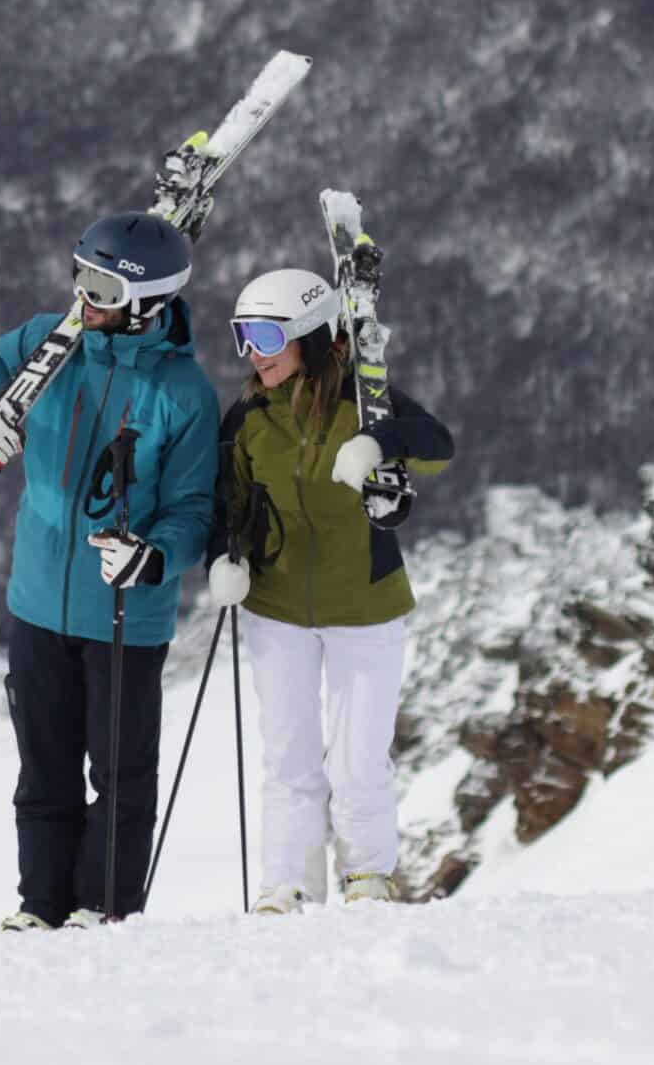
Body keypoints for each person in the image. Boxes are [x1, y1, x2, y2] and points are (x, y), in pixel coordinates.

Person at [0, 212, 218, 931]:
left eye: (102, 283)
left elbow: (194, 508)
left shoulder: (184, 394)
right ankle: (40, 905)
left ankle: (105, 907)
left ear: (146, 299)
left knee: (120, 778)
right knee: (42, 771)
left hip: (125, 615)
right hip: (36, 604)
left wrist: (153, 555)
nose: (83, 294)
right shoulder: (43, 345)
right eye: (79, 273)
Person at [206, 266, 453, 912]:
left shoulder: (363, 404)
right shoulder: (248, 418)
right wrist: (220, 559)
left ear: (309, 335)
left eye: (264, 334)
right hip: (276, 607)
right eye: (242, 335)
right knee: (288, 755)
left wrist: (378, 441)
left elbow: (437, 444)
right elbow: (223, 502)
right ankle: (287, 882)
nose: (252, 352)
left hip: (365, 606)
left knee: (359, 757)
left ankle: (367, 874)